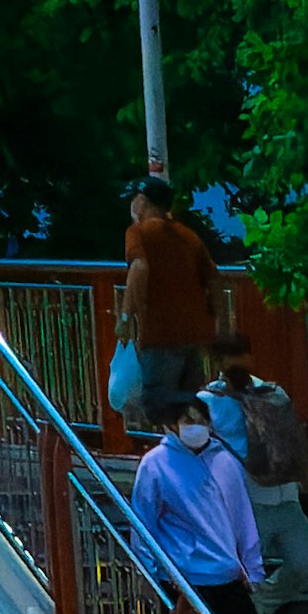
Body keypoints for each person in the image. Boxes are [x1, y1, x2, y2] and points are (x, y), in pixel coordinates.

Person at [131, 397, 263, 614]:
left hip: (225, 574)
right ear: (172, 425)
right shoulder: (155, 463)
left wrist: (253, 568)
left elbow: (242, 517)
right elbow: (143, 521)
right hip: (182, 578)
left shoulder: (225, 460)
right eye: (190, 421)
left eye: (203, 421)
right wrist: (148, 571)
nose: (197, 427)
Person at [114, 173, 216, 426]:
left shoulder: (138, 232)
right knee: (190, 406)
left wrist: (126, 316)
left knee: (158, 405)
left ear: (142, 202)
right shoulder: (189, 236)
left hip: (160, 334)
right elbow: (213, 277)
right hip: (194, 333)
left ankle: (165, 460)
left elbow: (139, 267)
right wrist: (213, 321)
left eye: (135, 199)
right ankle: (193, 456)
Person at [233, 366, 308, 592]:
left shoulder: (275, 394)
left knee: (307, 565)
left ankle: (268, 602)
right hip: (250, 498)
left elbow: (296, 444)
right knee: (245, 572)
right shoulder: (212, 400)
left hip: (287, 495)